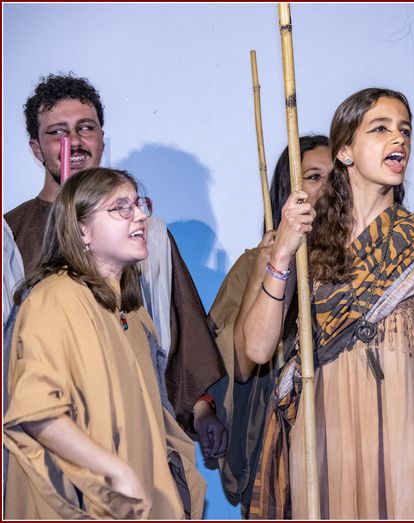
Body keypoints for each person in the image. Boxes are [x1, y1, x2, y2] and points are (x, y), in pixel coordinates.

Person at [243, 88, 414, 519]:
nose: (399, 139)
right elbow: (258, 350)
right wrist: (281, 253)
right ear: (345, 151)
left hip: (408, 440)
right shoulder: (306, 243)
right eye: (380, 129)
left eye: (405, 130)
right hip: (328, 436)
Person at [3, 73, 226, 456]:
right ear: (36, 148)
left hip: (141, 435)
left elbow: (181, 337)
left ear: (102, 139)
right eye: (57, 132)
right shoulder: (10, 236)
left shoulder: (146, 233)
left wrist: (202, 411)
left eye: (85, 128)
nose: (73, 142)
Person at [3, 168, 206, 518]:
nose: (140, 215)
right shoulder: (54, 298)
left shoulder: (132, 311)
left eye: (139, 204)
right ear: (82, 229)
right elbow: (36, 413)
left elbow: (156, 414)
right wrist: (115, 472)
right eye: (121, 207)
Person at [206, 135, 330, 514]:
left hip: (345, 443)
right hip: (278, 451)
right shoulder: (255, 263)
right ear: (287, 194)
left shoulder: (363, 267)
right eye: (314, 177)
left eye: (335, 177)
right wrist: (272, 263)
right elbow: (239, 364)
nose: (327, 187)